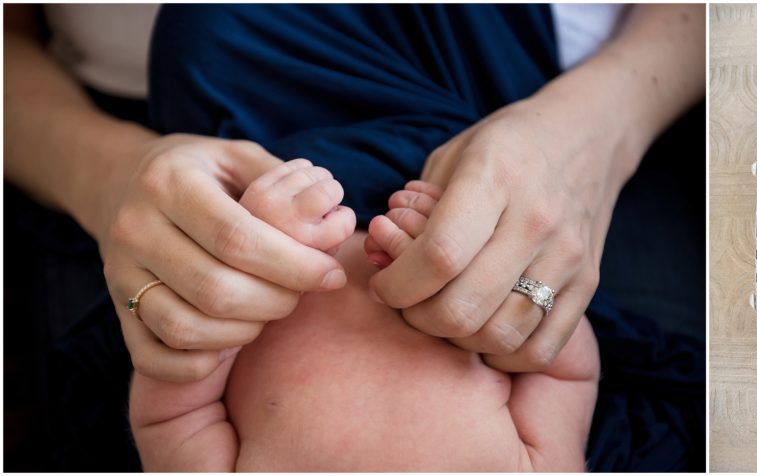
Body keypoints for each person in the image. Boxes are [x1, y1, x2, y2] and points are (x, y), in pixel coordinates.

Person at [5, 4, 704, 470]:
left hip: (236, 163)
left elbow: (169, 412)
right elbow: (572, 366)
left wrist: (202, 329)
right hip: (496, 134)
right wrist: (532, 303)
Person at [129, 162, 600, 470]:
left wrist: (238, 290)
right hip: (445, 174)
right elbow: (564, 370)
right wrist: (497, 277)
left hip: (259, 179)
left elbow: (172, 417)